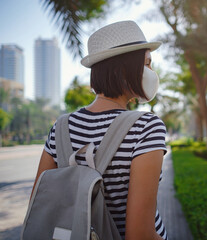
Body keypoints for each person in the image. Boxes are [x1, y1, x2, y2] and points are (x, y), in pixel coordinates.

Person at [32, 21, 168, 240]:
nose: (151, 72)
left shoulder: (60, 127)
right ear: (126, 68)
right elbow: (139, 235)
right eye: (148, 64)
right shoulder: (146, 126)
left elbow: (39, 204)